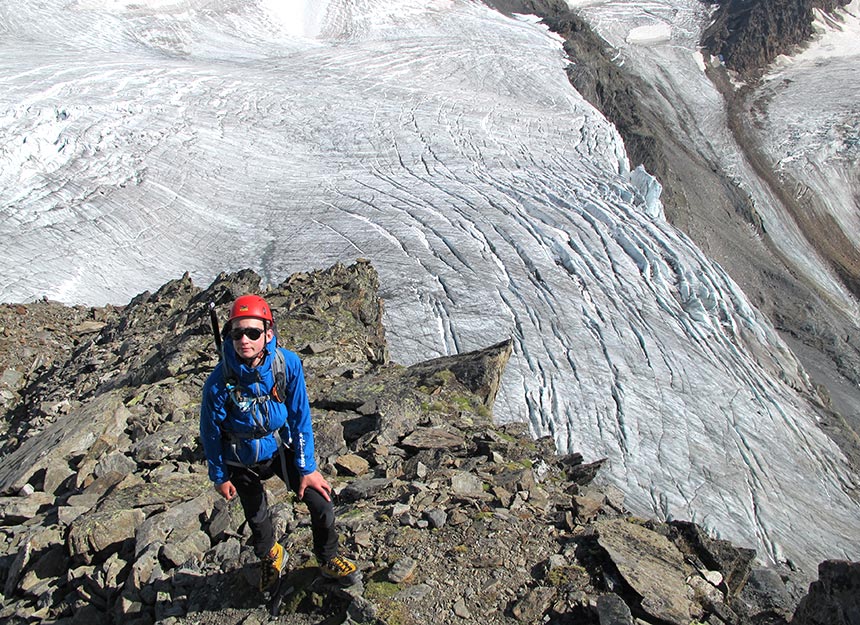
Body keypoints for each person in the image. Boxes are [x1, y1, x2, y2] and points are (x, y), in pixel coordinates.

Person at [199, 294, 358, 591]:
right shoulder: (218, 381)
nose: (244, 340)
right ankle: (271, 555)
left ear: (268, 333)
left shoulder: (287, 365)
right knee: (257, 518)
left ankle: (327, 558)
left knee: (322, 505)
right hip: (239, 457)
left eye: (253, 332)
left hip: (276, 448)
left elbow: (300, 416)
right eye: (237, 333)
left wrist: (307, 467)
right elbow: (209, 431)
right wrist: (219, 475)